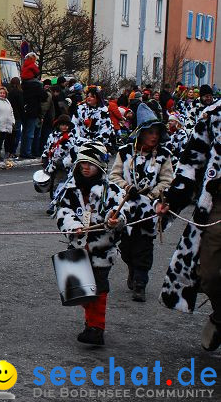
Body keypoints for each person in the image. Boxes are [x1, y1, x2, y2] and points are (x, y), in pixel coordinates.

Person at [156, 94, 221, 351]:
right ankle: (219, 315)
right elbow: (190, 164)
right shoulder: (213, 115)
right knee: (210, 273)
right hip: (217, 205)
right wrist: (172, 199)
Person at [54, 141, 129, 347]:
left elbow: (121, 210)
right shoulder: (70, 189)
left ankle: (96, 328)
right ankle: (91, 323)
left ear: (100, 165)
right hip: (78, 246)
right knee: (80, 290)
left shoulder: (111, 189)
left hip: (102, 248)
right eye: (82, 163)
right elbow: (63, 212)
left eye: (91, 163)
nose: (85, 167)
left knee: (99, 287)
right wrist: (73, 225)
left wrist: (115, 219)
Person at [109, 104, 173, 303]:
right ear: (141, 133)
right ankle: (132, 269)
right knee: (127, 249)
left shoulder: (164, 155)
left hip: (149, 210)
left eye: (156, 133)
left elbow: (168, 180)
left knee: (144, 247)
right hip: (127, 208)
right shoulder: (124, 152)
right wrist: (127, 188)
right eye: (150, 132)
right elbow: (114, 176)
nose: (154, 136)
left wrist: (154, 194)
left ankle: (140, 283)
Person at [40, 115, 76, 211]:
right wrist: (44, 158)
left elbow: (73, 154)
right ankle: (55, 201)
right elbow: (47, 148)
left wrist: (63, 163)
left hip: (63, 167)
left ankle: (55, 205)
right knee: (51, 185)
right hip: (51, 166)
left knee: (59, 185)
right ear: (58, 125)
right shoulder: (52, 136)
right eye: (63, 125)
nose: (65, 127)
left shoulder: (71, 138)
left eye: (67, 125)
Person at [20, 54, 46, 158]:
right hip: (33, 110)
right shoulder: (36, 85)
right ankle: (27, 152)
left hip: (25, 109)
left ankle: (23, 151)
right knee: (31, 133)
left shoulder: (23, 84)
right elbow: (43, 97)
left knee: (25, 132)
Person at [72, 87, 114, 151]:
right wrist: (79, 139)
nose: (88, 98)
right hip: (80, 144)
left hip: (97, 146)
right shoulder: (80, 109)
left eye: (92, 96)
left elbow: (106, 128)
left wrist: (95, 142)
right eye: (88, 96)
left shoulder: (103, 112)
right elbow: (74, 124)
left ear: (97, 98)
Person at [0, 87, 15, 161]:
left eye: (4, 93)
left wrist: (12, 121)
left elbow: (11, 112)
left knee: (2, 140)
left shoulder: (7, 102)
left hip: (6, 124)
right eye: (1, 93)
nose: (2, 94)